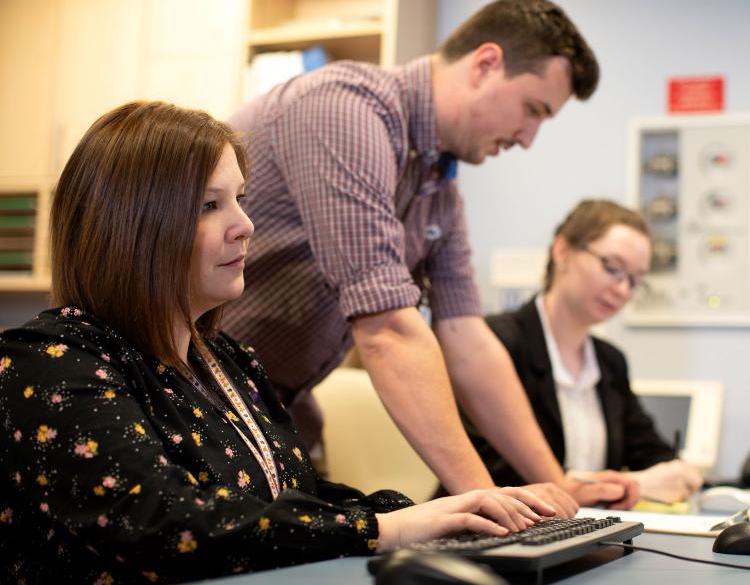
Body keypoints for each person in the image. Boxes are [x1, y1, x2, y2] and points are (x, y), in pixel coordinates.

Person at [0, 101, 557, 584]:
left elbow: (290, 501)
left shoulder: (229, 361)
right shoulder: (47, 364)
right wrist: (387, 528)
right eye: (208, 204)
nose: (245, 224)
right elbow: (168, 525)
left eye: (240, 198)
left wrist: (448, 515)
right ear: (133, 226)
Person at [222, 0, 636, 513]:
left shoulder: (438, 184)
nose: (529, 138)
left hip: (270, 415)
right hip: (182, 402)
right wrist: (484, 498)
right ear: (486, 64)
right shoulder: (344, 112)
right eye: (532, 110)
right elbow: (388, 332)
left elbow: (467, 340)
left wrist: (559, 486)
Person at [456, 199, 703, 504]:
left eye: (636, 281)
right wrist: (628, 484)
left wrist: (677, 473)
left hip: (582, 533)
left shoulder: (609, 360)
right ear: (562, 252)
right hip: (490, 531)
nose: (623, 290)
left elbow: (650, 453)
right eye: (613, 268)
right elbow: (495, 473)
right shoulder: (494, 343)